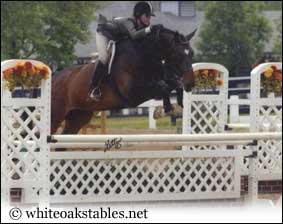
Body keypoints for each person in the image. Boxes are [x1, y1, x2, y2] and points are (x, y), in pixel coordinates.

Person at [88, 1, 162, 101]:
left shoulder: (141, 26)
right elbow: (134, 35)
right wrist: (150, 29)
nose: (149, 19)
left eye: (150, 16)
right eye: (147, 16)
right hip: (104, 33)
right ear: (139, 15)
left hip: (116, 37)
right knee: (104, 57)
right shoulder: (129, 22)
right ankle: (93, 88)